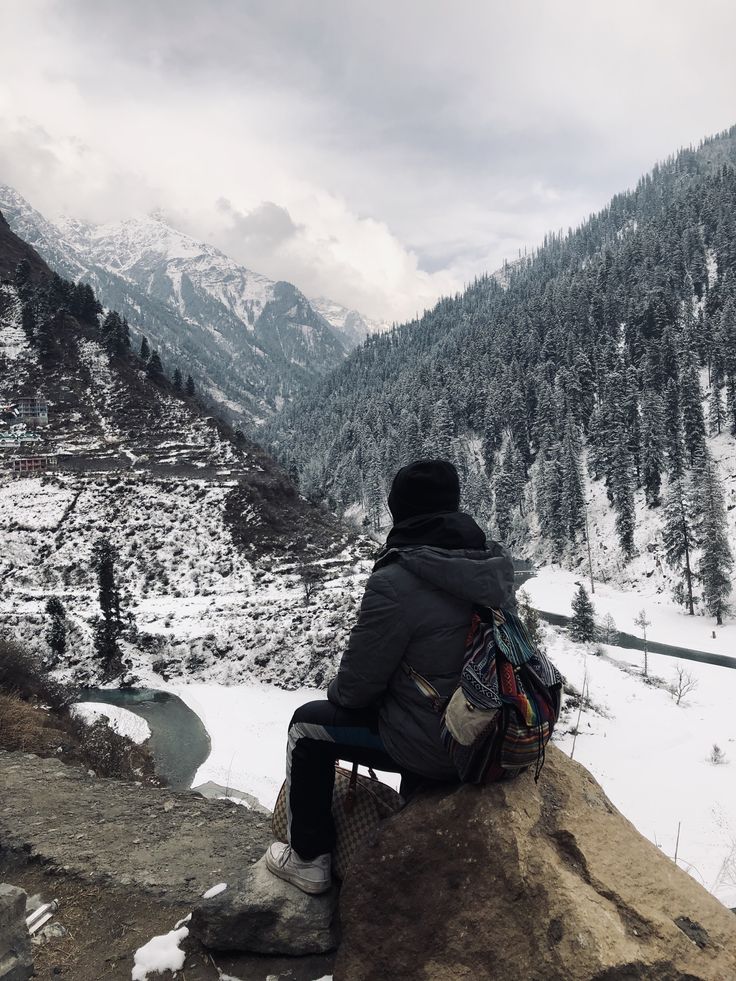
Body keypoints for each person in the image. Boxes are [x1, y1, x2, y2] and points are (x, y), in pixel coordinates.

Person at [265, 459, 515, 894]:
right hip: (491, 728)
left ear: (400, 512)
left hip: (440, 743)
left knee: (306, 727)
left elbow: (357, 689)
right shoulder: (490, 562)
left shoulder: (396, 580)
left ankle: (308, 860)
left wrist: (338, 690)